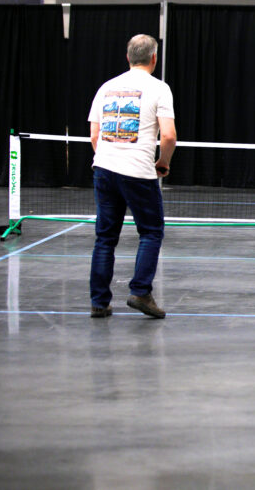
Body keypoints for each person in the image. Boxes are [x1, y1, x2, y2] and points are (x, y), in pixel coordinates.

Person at [87, 34, 176, 319]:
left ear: (128, 57)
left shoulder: (106, 87)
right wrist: (162, 162)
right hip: (138, 172)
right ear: (153, 58)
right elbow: (169, 135)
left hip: (103, 169)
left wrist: (108, 158)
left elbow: (94, 135)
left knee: (105, 237)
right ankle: (140, 292)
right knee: (150, 232)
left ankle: (99, 303)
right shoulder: (159, 88)